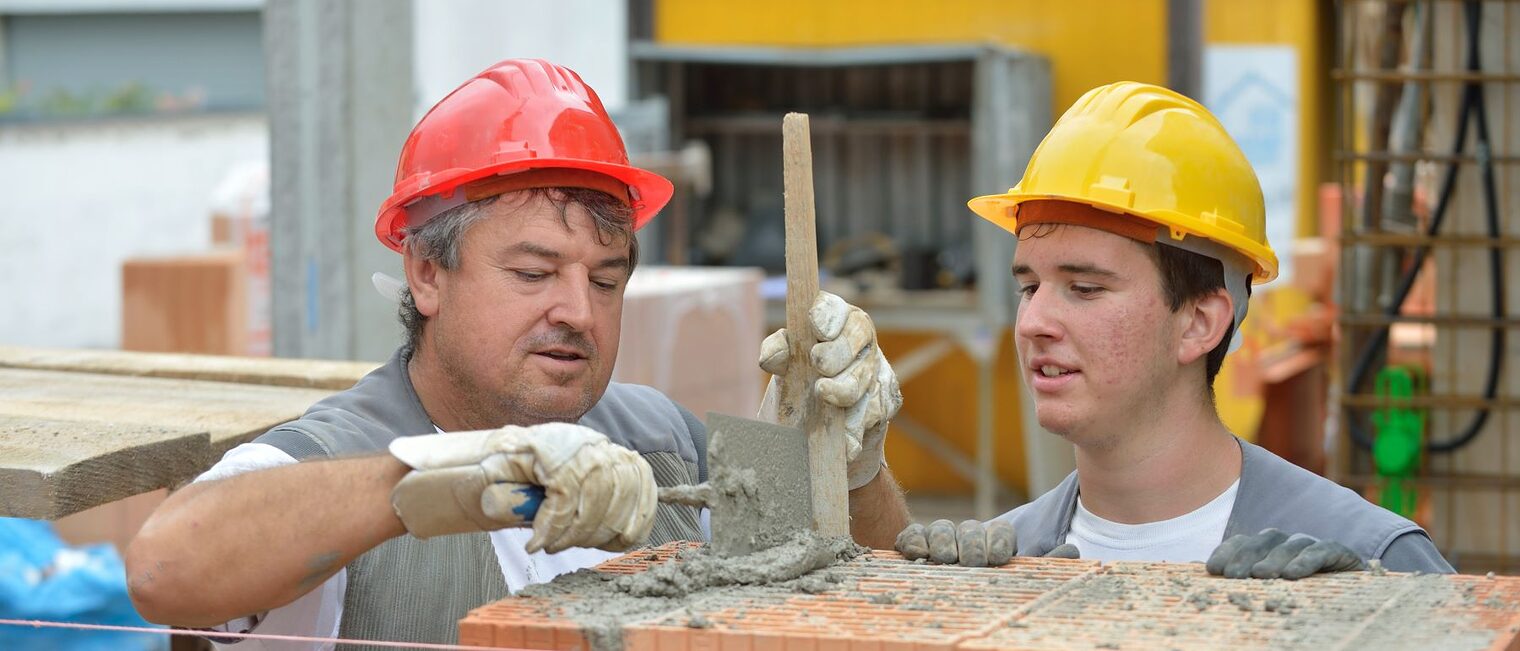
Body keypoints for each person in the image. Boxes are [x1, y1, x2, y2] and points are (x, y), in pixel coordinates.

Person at [125, 59, 910, 648]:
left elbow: (873, 601)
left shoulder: (663, 444)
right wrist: (453, 479)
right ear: (427, 273)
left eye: (606, 280)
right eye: (533, 273)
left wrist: (851, 469)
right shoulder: (339, 457)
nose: (577, 311)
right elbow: (164, 568)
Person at [895, 81, 1453, 579]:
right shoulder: (1006, 563)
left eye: (1085, 288)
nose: (1035, 322)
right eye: (1029, 287)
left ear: (1200, 323)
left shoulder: (1373, 561)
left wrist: (1372, 619)